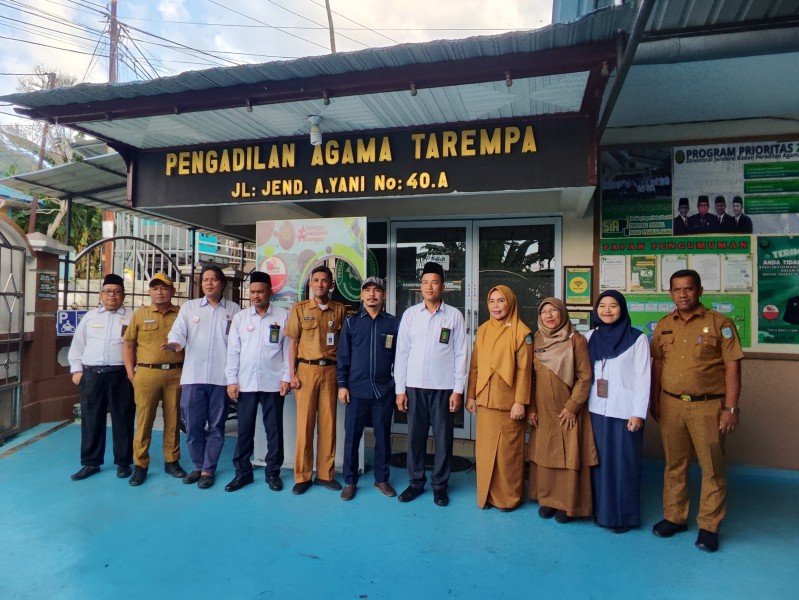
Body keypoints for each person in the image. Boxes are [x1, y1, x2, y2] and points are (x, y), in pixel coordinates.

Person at [650, 269, 743, 553]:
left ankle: (709, 526)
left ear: (699, 290)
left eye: (688, 288)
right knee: (674, 464)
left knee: (712, 467)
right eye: (677, 289)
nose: (683, 294)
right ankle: (674, 517)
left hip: (708, 406)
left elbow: (733, 367)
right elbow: (657, 364)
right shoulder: (664, 325)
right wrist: (655, 400)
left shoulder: (720, 323)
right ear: (670, 293)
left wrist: (731, 408)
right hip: (671, 404)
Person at [395, 261, 468, 507]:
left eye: (434, 282)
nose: (429, 287)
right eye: (425, 282)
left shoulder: (454, 316)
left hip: (443, 388)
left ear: (442, 287)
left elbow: (461, 354)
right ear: (421, 286)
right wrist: (400, 390)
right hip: (414, 387)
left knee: (443, 439)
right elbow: (402, 353)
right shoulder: (410, 315)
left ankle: (439, 486)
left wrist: (458, 390)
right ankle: (415, 483)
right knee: (415, 438)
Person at [164, 265, 240, 489]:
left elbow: (238, 343)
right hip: (193, 376)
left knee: (217, 426)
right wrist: (175, 343)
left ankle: (208, 469)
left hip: (221, 378)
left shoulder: (234, 310)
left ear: (222, 284)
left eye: (213, 279)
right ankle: (198, 465)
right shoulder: (190, 308)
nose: (208, 283)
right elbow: (178, 332)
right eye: (205, 279)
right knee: (193, 425)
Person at [585, 290, 650, 533]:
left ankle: (622, 516)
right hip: (595, 409)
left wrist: (638, 413)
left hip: (624, 411)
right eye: (602, 306)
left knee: (623, 465)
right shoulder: (590, 337)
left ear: (622, 309)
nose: (607, 310)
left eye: (613, 305)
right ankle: (601, 512)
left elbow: (644, 378)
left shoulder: (637, 339)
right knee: (599, 464)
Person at [527, 298, 596, 523]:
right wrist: (532, 408)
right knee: (545, 455)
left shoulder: (576, 340)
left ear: (562, 313)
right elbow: (531, 378)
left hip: (568, 412)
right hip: (543, 410)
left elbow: (585, 377)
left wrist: (572, 406)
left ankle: (567, 503)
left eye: (553, 310)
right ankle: (547, 500)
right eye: (544, 311)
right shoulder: (536, 339)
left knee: (569, 456)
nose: (548, 315)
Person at [465, 285, 532, 511]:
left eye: (501, 301)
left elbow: (525, 370)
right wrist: (471, 395)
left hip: (509, 404)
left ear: (510, 303)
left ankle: (508, 498)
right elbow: (475, 365)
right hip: (485, 401)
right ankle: (488, 496)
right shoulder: (483, 330)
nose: (496, 306)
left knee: (507, 454)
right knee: (485, 453)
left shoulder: (522, 333)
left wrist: (520, 402)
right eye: (492, 301)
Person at [224, 271, 290, 493]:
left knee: (274, 431)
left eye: (260, 291)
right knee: (244, 430)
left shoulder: (283, 316)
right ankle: (243, 473)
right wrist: (231, 380)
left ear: (270, 292)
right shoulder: (241, 318)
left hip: (273, 383)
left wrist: (286, 377)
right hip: (246, 384)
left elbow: (288, 350)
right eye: (252, 292)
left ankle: (273, 472)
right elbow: (233, 352)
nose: (256, 296)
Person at [336, 276, 400, 501]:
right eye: (368, 290)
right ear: (361, 295)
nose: (372, 294)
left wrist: (396, 386)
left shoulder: (393, 324)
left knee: (383, 437)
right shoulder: (352, 323)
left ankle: (382, 479)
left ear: (384, 295)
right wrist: (342, 385)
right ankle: (350, 481)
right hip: (356, 390)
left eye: (377, 290)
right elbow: (343, 357)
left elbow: (400, 358)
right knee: (352, 438)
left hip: (383, 390)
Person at [285, 264, 347, 495]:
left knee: (329, 425)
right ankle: (302, 476)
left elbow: (344, 345)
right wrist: (291, 374)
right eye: (316, 280)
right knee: (305, 425)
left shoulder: (339, 310)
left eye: (324, 280)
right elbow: (292, 343)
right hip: (306, 371)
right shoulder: (299, 309)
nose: (320, 284)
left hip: (330, 371)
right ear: (310, 284)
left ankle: (325, 474)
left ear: (331, 284)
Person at [68, 273, 135, 481]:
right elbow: (77, 345)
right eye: (108, 291)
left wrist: (134, 373)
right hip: (92, 376)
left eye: (116, 291)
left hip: (121, 376)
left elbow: (140, 347)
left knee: (123, 419)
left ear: (123, 295)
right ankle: (91, 462)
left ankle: (123, 462)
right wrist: (77, 371)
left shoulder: (132, 317)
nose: (112, 295)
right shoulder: (90, 317)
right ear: (101, 294)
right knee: (91, 420)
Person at [123, 273, 186, 486]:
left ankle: (172, 460)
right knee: (144, 420)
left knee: (173, 419)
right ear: (149, 291)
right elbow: (129, 344)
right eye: (155, 288)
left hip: (175, 373)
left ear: (173, 291)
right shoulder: (139, 315)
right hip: (147, 373)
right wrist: (131, 373)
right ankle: (140, 464)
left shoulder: (182, 314)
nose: (159, 292)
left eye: (164, 288)